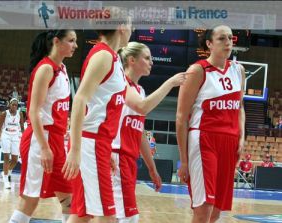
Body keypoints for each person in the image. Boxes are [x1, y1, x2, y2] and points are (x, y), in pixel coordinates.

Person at [62, 17, 186, 222]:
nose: (133, 28)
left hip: (100, 144)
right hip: (93, 142)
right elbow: (80, 99)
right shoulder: (103, 55)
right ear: (120, 27)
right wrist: (76, 149)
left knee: (82, 214)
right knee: (109, 217)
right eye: (130, 23)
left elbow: (136, 108)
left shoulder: (113, 61)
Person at [176, 25, 246, 223]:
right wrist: (184, 160)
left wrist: (242, 137)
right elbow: (181, 117)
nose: (228, 42)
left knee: (217, 210)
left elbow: (239, 107)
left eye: (230, 38)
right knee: (203, 208)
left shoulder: (238, 70)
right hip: (204, 139)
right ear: (209, 44)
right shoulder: (197, 70)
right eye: (222, 38)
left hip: (230, 142)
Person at [111, 41, 187, 222]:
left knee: (120, 217)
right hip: (115, 156)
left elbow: (140, 134)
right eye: (147, 58)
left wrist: (152, 169)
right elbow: (143, 108)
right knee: (126, 217)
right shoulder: (120, 84)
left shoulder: (140, 90)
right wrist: (170, 83)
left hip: (129, 160)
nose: (151, 62)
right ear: (131, 60)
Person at [9, 29, 78, 223]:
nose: (75, 45)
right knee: (30, 200)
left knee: (70, 200)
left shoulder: (62, 69)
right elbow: (34, 112)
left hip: (56, 141)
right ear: (57, 42)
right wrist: (45, 148)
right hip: (40, 141)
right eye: (71, 41)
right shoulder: (45, 69)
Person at [0, 98, 24, 189]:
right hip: (6, 135)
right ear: (9, 104)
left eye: (16, 105)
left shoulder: (20, 114)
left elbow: (22, 127)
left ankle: (6, 171)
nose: (14, 106)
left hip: (15, 136)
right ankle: (6, 180)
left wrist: (25, 138)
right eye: (13, 104)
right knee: (6, 157)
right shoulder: (4, 114)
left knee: (15, 159)